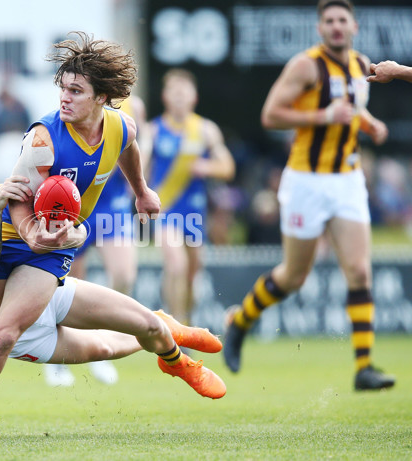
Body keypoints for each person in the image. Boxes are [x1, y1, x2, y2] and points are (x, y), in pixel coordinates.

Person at [0, 32, 226, 442]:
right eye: (63, 88)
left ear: (101, 98)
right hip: (19, 243)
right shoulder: (41, 141)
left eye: (76, 90)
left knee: (5, 336)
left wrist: (142, 190)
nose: (65, 97)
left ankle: (171, 348)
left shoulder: (121, 126)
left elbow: (128, 146)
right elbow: (2, 226)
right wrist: (30, 231)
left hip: (42, 256)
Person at [223, 0, 396, 391]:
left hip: (347, 179)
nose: (336, 26)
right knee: (294, 276)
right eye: (329, 20)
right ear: (320, 28)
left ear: (354, 25)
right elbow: (271, 115)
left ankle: (364, 367)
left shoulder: (360, 63)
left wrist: (369, 124)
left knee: (360, 270)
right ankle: (240, 323)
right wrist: (321, 117)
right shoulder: (305, 65)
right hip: (306, 181)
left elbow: (349, 110)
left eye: (342, 20)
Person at [44, 95, 147, 387]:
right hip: (76, 199)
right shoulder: (77, 104)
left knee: (124, 274)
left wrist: (140, 187)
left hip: (111, 201)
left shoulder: (132, 108)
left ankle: (103, 346)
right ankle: (61, 359)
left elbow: (140, 146)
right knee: (72, 284)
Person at [147, 69, 235, 326]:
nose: (179, 99)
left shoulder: (206, 130)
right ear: (165, 97)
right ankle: (176, 331)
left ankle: (183, 320)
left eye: (183, 93)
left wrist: (205, 167)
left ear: (193, 97)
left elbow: (227, 168)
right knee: (176, 264)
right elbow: (141, 169)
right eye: (174, 93)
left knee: (191, 274)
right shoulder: (153, 131)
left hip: (194, 214)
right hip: (165, 210)